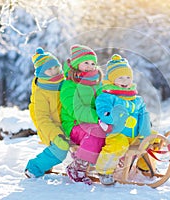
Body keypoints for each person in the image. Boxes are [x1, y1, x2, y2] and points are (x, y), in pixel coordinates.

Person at [94, 54, 153, 185]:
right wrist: (111, 115)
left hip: (136, 133)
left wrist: (146, 131)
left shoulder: (136, 99)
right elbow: (103, 112)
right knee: (117, 144)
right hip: (117, 133)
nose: (125, 81)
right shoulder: (107, 96)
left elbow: (144, 114)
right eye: (120, 77)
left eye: (128, 77)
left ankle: (144, 166)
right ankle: (104, 171)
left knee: (153, 138)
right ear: (112, 79)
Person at [60, 44, 108, 185]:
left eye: (93, 63)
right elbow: (75, 110)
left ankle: (111, 165)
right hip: (74, 125)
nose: (90, 66)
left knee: (113, 133)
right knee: (97, 133)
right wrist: (98, 118)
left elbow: (103, 101)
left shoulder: (97, 83)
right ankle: (77, 167)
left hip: (93, 122)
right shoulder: (69, 85)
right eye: (86, 62)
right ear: (76, 64)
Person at [24, 47, 69, 178]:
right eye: (49, 69)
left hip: (67, 123)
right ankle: (34, 167)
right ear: (41, 72)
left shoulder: (64, 83)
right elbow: (42, 119)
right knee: (61, 147)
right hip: (50, 128)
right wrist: (55, 135)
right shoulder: (41, 92)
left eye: (56, 67)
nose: (54, 71)